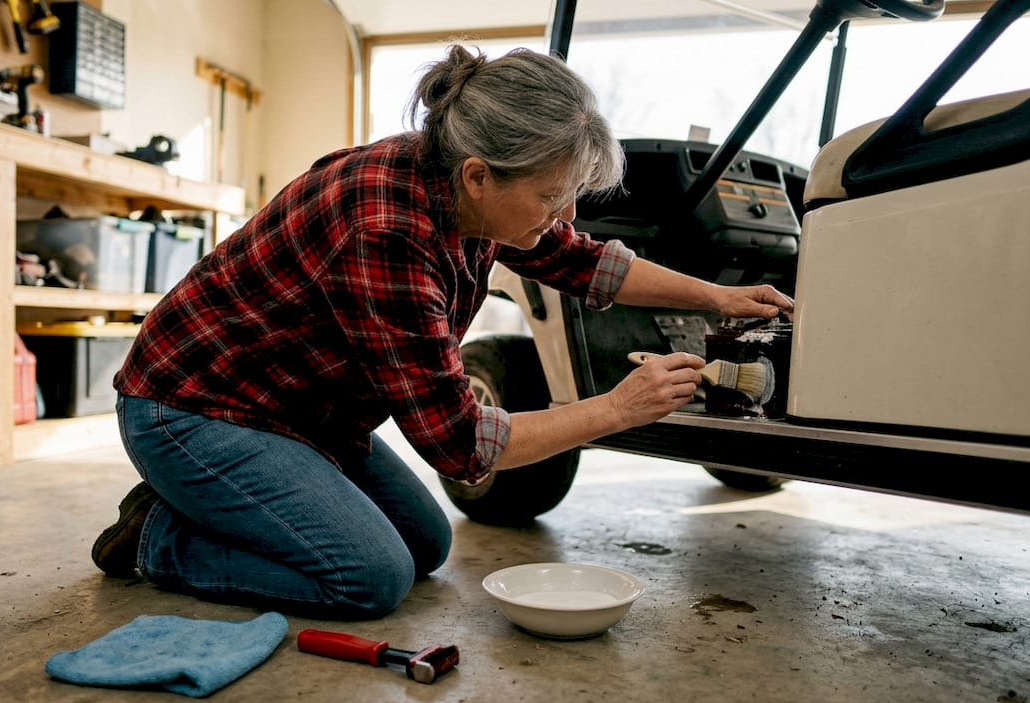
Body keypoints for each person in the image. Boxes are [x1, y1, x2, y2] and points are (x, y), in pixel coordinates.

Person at [94, 45, 793, 620]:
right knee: (368, 578)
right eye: (552, 197)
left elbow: (579, 261)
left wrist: (718, 298)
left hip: (304, 411)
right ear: (480, 176)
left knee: (424, 545)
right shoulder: (388, 230)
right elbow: (459, 444)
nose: (564, 214)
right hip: (194, 408)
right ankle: (157, 539)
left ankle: (222, 503)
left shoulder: (467, 187)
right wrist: (617, 409)